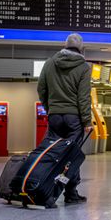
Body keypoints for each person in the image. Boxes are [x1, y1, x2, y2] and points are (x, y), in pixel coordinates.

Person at [37, 33, 92, 205]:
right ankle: (70, 193)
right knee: (71, 156)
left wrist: (50, 109)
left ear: (64, 45)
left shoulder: (49, 63)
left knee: (51, 154)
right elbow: (83, 97)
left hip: (54, 118)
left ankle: (42, 186)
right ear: (81, 48)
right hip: (74, 119)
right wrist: (87, 121)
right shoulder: (83, 67)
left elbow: (41, 89)